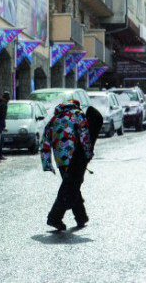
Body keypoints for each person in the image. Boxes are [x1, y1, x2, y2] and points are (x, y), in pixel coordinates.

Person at [41, 99, 93, 231]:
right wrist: (88, 153)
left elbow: (45, 142)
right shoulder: (77, 115)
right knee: (71, 186)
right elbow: (84, 136)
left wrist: (47, 163)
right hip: (75, 157)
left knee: (71, 185)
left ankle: (81, 217)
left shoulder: (54, 119)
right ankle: (55, 217)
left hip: (61, 159)